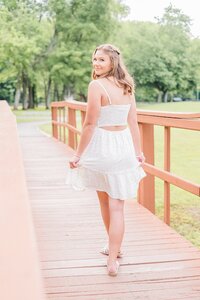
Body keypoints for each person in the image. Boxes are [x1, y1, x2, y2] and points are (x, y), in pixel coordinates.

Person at [67, 44, 146, 276]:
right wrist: (137, 151)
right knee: (116, 206)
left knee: (106, 203)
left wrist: (77, 155)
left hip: (103, 146)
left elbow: (90, 124)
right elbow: (133, 122)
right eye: (94, 59)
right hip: (122, 147)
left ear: (113, 62)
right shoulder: (127, 86)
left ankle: (113, 257)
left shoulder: (96, 85)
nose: (96, 64)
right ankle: (114, 255)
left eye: (101, 60)